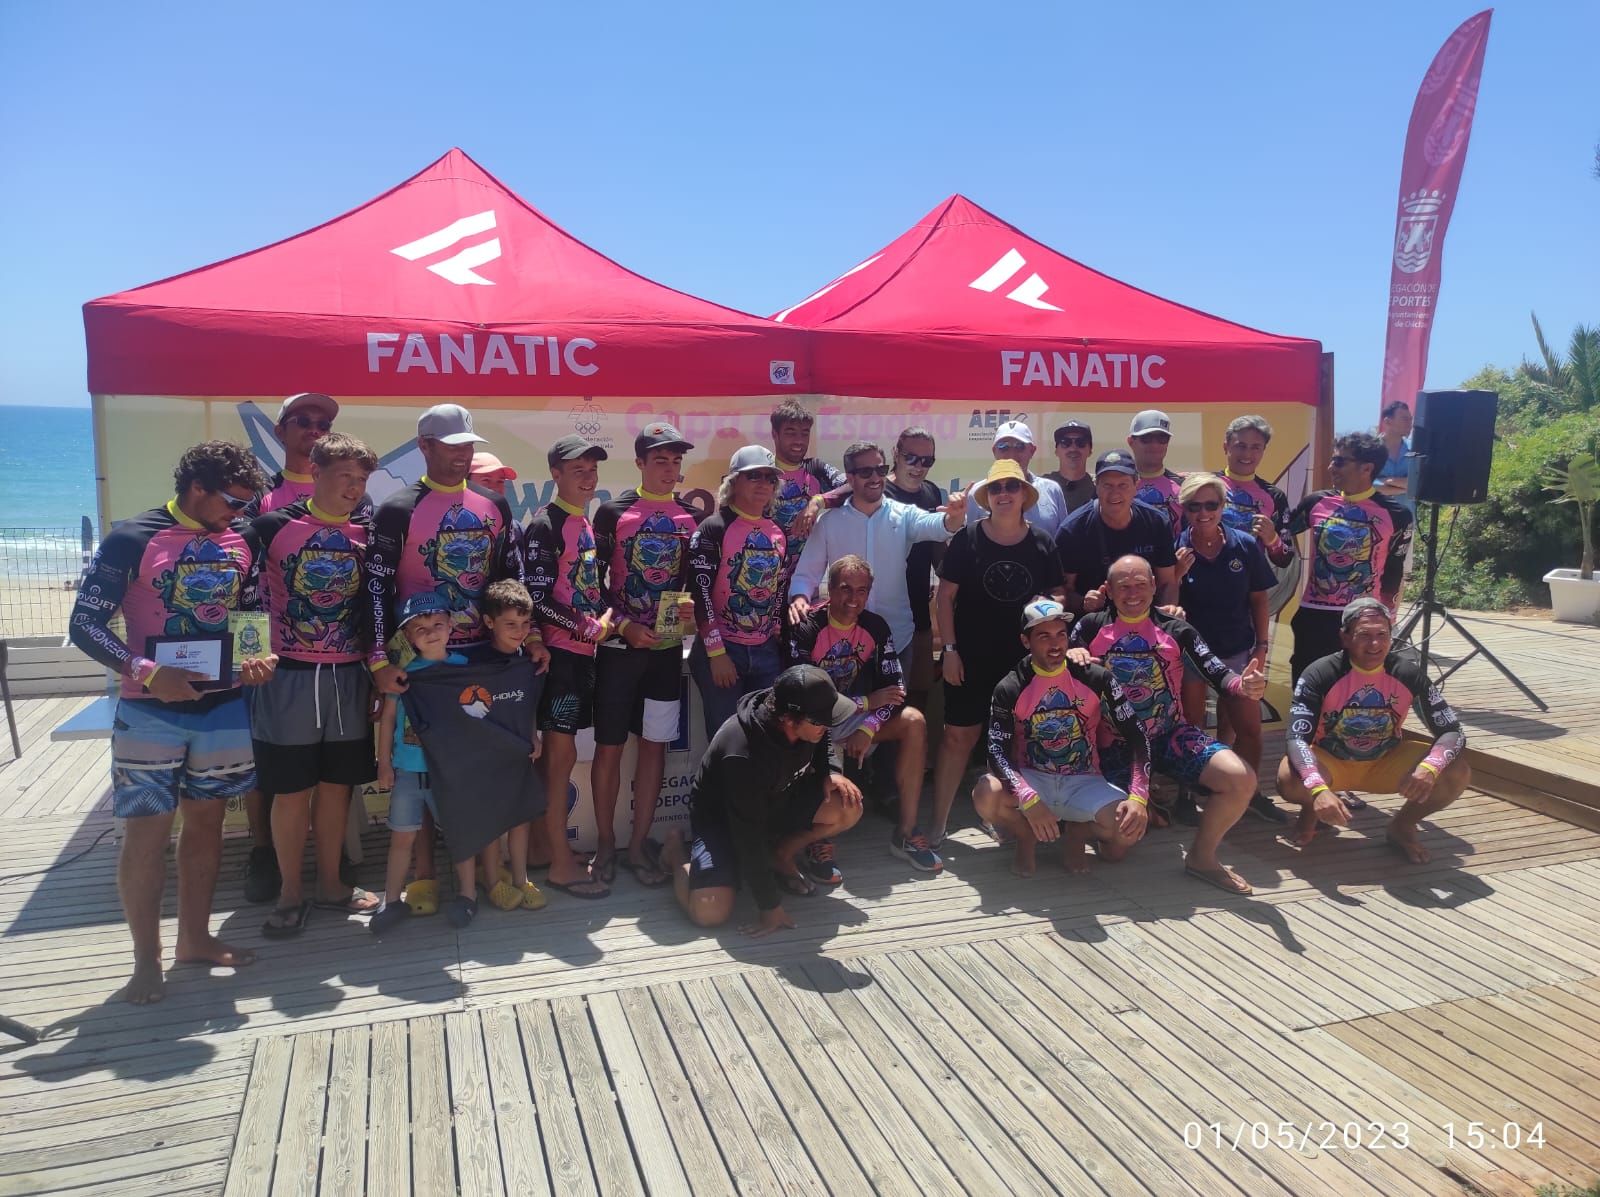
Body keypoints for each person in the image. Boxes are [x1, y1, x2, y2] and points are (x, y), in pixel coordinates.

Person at [68, 441, 277, 1004]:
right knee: (146, 835)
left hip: (222, 706)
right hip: (150, 711)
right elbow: (85, 624)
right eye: (232, 500)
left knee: (206, 828)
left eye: (248, 500)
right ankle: (145, 961)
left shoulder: (241, 538)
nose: (241, 511)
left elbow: (249, 611)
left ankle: (195, 940)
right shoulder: (132, 538)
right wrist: (146, 671)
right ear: (197, 488)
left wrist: (258, 656)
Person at [365, 403, 530, 915]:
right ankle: (424, 875)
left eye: (467, 446)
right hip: (419, 667)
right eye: (450, 445)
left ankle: (488, 874)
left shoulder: (492, 506)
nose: (461, 455)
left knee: (475, 773)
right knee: (421, 768)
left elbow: (508, 584)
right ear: (424, 447)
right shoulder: (396, 508)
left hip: (478, 660)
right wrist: (379, 661)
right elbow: (375, 590)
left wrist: (526, 640)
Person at [251, 433, 382, 938]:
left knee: (336, 788)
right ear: (315, 471)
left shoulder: (368, 533)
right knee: (290, 791)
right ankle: (289, 892)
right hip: (289, 676)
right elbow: (247, 592)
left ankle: (330, 884)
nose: (354, 488)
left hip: (349, 674)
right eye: (345, 476)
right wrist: (249, 655)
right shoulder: (270, 526)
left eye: (362, 479)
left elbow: (377, 603)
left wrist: (376, 667)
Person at [1071, 555, 1264, 894]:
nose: (1133, 593)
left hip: (1169, 735)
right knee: (1118, 846)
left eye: (1140, 585)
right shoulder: (1089, 628)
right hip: (1115, 746)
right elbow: (1058, 675)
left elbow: (1217, 672)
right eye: (1124, 586)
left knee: (1240, 779)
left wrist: (1242, 686)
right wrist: (1073, 659)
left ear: (1155, 587)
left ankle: (1202, 858)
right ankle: (1088, 823)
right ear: (1109, 591)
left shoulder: (1176, 629)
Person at [662, 665, 865, 936]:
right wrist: (770, 907)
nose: (827, 725)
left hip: (776, 800)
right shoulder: (742, 754)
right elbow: (747, 834)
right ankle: (675, 854)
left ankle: (779, 856)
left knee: (847, 805)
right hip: (724, 822)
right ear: (788, 719)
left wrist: (830, 771)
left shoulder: (799, 714)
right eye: (820, 720)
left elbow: (822, 736)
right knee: (708, 914)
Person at [929, 459, 1065, 847]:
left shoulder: (1042, 541)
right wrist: (950, 651)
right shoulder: (968, 538)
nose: (1005, 494)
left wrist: (1048, 603)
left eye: (1012, 487)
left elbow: (1058, 592)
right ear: (988, 497)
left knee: (1013, 740)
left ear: (1025, 494)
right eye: (998, 488)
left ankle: (1003, 817)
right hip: (970, 657)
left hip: (1023, 664)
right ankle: (937, 823)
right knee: (958, 737)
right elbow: (945, 597)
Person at [590, 422, 701, 887]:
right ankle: (604, 845)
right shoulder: (612, 513)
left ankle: (637, 847)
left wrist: (693, 612)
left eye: (676, 461)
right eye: (660, 460)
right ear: (639, 463)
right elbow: (589, 587)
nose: (670, 469)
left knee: (654, 746)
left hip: (665, 654)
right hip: (618, 650)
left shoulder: (689, 518)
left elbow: (694, 587)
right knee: (610, 747)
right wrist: (623, 626)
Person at [1278, 597, 1470, 863]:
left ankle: (1402, 826)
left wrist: (1430, 768)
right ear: (1344, 638)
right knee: (1289, 776)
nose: (1375, 644)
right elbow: (1297, 738)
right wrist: (1318, 790)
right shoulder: (1319, 673)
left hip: (1385, 761)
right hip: (1331, 762)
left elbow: (1452, 730)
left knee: (1457, 770)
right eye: (1364, 635)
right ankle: (1313, 810)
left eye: (1382, 634)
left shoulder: (1407, 673)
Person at [971, 598, 1152, 878]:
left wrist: (1139, 797)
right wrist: (1028, 797)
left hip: (1084, 780)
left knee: (1126, 837)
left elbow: (1138, 736)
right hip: (1033, 778)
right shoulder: (1009, 686)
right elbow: (996, 750)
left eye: (1061, 635)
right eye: (1044, 636)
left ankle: (1078, 832)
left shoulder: (1096, 678)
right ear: (1025, 641)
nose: (1055, 644)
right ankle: (1025, 836)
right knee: (985, 793)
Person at [789, 556, 937, 872]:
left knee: (914, 720)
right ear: (829, 588)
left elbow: (895, 690)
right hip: (813, 720)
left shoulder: (875, 626)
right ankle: (817, 840)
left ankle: (907, 832)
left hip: (853, 716)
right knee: (809, 724)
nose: (852, 599)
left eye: (861, 591)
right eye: (845, 589)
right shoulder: (806, 627)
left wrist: (868, 726)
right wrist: (866, 704)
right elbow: (802, 697)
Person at [524, 434, 616, 900]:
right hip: (559, 659)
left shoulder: (583, 522)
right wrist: (584, 626)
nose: (588, 477)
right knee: (558, 763)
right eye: (577, 469)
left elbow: (586, 589)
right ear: (555, 474)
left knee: (556, 763)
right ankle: (560, 864)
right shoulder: (545, 524)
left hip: (580, 656)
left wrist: (602, 618)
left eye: (592, 469)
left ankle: (545, 849)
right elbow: (537, 600)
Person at [788, 439, 965, 679]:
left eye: (880, 470)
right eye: (865, 472)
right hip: (843, 645)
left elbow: (938, 525)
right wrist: (799, 598)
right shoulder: (829, 523)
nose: (875, 477)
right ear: (850, 479)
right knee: (848, 714)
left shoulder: (903, 515)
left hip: (896, 639)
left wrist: (954, 518)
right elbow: (806, 575)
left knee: (896, 713)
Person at [1173, 473, 1287, 825]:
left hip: (1238, 650)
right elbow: (1167, 608)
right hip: (1193, 654)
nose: (1203, 512)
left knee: (1248, 729)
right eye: (1195, 506)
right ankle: (1186, 793)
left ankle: (1249, 792)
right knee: (1191, 728)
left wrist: (1263, 647)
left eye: (1211, 504)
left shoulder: (1244, 545)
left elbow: (1259, 599)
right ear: (1185, 509)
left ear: (1223, 506)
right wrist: (1175, 575)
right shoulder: (1177, 548)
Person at [370, 594, 468, 933]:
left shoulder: (464, 668)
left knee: (460, 835)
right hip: (408, 771)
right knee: (401, 838)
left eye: (438, 624)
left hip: (451, 774)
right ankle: (391, 901)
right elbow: (388, 720)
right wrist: (384, 764)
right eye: (420, 628)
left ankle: (468, 896)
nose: (430, 632)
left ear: (452, 626)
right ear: (409, 636)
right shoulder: (401, 675)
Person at [1286, 432, 1414, 685]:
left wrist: (1386, 617)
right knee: (1306, 689)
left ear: (1367, 468)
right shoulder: (1316, 502)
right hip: (1315, 614)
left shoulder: (1397, 514)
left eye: (1340, 461)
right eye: (1334, 460)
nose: (1331, 467)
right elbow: (1279, 538)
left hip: (1363, 618)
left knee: (1356, 692)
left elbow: (1394, 570)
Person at [688, 446, 787, 739]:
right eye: (754, 476)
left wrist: (776, 629)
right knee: (726, 743)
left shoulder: (777, 531)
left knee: (766, 741)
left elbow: (778, 587)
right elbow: (700, 592)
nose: (763, 484)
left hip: (765, 651)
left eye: (770, 478)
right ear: (733, 482)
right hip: (723, 650)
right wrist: (716, 652)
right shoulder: (713, 528)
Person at [1055, 450, 1178, 612]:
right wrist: (1083, 602)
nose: (1115, 493)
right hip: (1093, 622)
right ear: (1096, 486)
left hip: (1145, 619)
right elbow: (1062, 590)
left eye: (1123, 485)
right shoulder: (1072, 530)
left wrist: (1167, 618)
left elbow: (1167, 583)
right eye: (1107, 485)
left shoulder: (1157, 523)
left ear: (1136, 486)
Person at [884, 427, 947, 710]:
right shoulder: (876, 490)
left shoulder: (932, 493)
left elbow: (940, 557)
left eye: (927, 461)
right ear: (896, 453)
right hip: (878, 621)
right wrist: (818, 501)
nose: (919, 466)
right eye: (911, 458)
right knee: (882, 701)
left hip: (918, 617)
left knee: (917, 700)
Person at [766, 398, 845, 583]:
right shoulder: (762, 471)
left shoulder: (815, 468)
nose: (799, 441)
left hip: (804, 582)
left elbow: (853, 486)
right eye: (791, 433)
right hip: (765, 580)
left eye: (804, 433)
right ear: (774, 434)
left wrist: (818, 501)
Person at [965, 421, 1069, 536]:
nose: (1011, 454)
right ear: (994, 451)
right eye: (1003, 447)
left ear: (1032, 450)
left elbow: (1062, 542)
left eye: (1020, 446)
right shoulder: (975, 494)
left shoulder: (1052, 490)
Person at [1217, 415, 1295, 568]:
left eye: (1255, 447)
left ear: (1263, 450)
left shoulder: (1274, 496)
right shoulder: (1205, 485)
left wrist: (1272, 539)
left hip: (1249, 586)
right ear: (1226, 447)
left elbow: (1285, 559)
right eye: (1241, 446)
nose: (1247, 454)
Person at [1126, 409, 1185, 537]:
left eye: (1162, 438)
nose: (1155, 445)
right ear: (1131, 442)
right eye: (1146, 438)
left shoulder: (1184, 487)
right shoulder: (1115, 485)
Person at [1042, 419, 1097, 516]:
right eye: (1065, 442)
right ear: (1056, 451)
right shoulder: (1041, 487)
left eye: (1081, 442)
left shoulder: (1100, 486)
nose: (1073, 448)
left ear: (1090, 450)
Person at [1376, 401, 1417, 519]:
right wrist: (1405, 487)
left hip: (1406, 522)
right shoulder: (1370, 450)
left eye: (1410, 419)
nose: (1410, 423)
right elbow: (1367, 486)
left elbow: (1418, 484)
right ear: (1388, 422)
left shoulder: (1416, 450)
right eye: (1405, 419)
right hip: (1376, 522)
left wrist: (1386, 481)